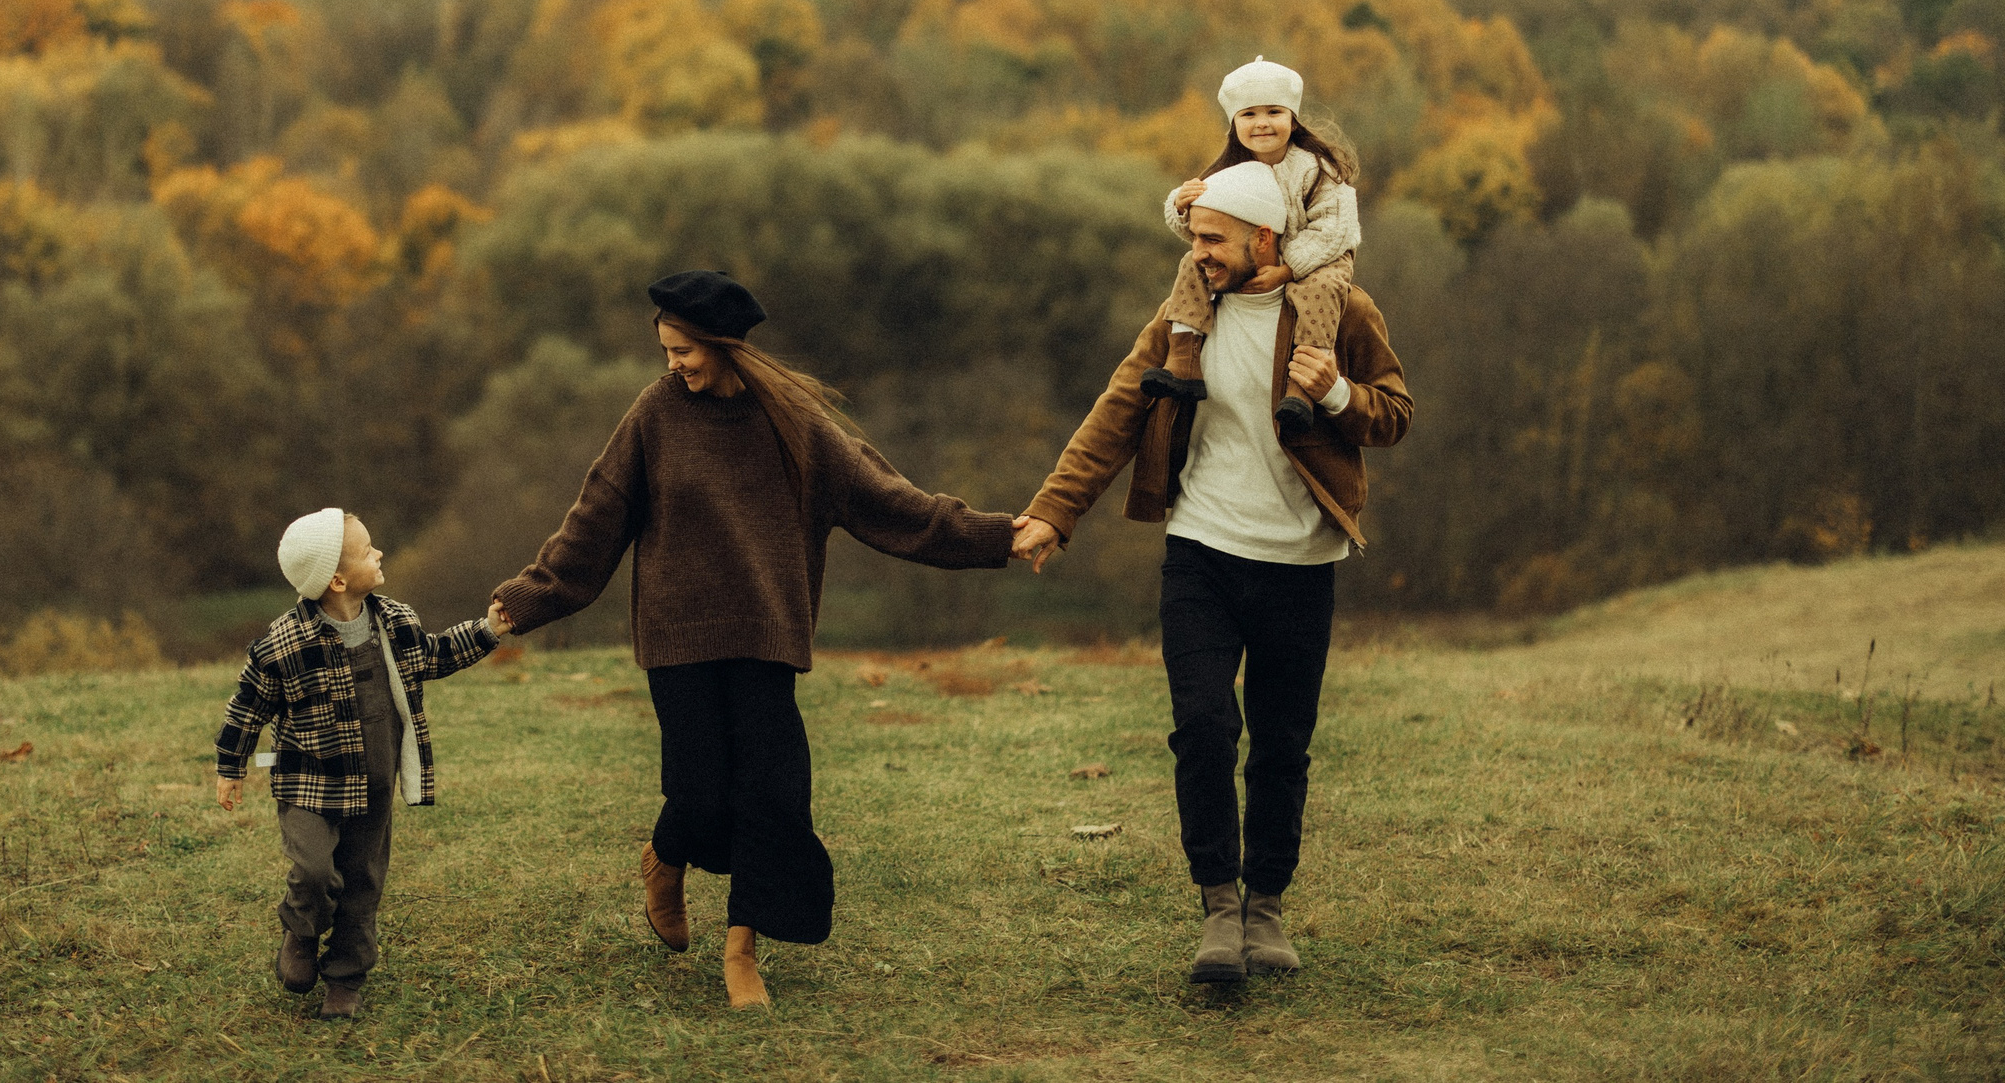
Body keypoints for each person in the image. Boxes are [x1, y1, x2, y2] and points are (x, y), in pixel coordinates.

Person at [488, 270, 1025, 1010]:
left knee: (772, 796)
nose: (673, 364)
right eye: (666, 350)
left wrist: (999, 535)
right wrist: (532, 595)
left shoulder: (797, 422)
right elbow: (598, 515)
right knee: (700, 793)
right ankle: (665, 856)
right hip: (678, 637)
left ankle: (740, 951)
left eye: (683, 350)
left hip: (766, 635)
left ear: (724, 344)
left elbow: (892, 503)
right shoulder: (655, 413)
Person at [1008, 164, 1410, 984]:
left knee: (1281, 744)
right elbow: (1119, 408)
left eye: (1214, 239)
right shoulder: (1185, 316)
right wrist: (1056, 508)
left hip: (1300, 562)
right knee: (1202, 727)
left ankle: (1267, 908)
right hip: (1203, 550)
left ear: (1265, 237)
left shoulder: (1341, 311)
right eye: (1194, 237)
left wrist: (1336, 393)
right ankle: (1220, 906)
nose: (1199, 253)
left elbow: (1395, 412)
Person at [213, 507, 503, 1017]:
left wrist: (488, 629)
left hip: (374, 781)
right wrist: (230, 767)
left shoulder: (395, 623)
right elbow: (248, 705)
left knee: (362, 881)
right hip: (308, 782)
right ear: (339, 580)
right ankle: (301, 932)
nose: (380, 553)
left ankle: (345, 980)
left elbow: (435, 654)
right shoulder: (283, 644)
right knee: (313, 870)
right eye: (369, 550)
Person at [1152, 56, 1362, 430]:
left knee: (1321, 288)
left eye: (1273, 112)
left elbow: (1334, 229)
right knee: (1192, 263)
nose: (1261, 122)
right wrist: (1180, 206)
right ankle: (1184, 359)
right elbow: (1208, 230)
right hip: (1254, 257)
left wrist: (1287, 269)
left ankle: (1302, 384)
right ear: (1234, 124)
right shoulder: (1228, 172)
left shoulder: (1315, 169)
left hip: (1319, 258)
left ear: (1293, 120)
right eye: (1248, 114)